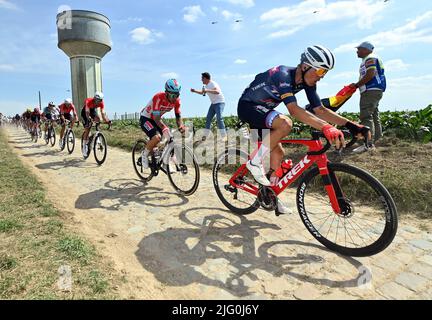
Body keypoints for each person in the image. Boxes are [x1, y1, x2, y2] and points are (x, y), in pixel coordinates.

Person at [237, 45, 369, 215]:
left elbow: (320, 110)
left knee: (278, 154)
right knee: (285, 123)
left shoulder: (307, 82)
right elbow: (293, 109)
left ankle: (269, 195)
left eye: (325, 73)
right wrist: (326, 127)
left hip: (264, 112)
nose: (321, 77)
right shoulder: (282, 74)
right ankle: (254, 162)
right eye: (321, 71)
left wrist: (351, 125)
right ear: (306, 66)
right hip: (248, 107)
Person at [139, 79, 186, 169]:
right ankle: (144, 155)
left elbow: (178, 116)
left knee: (167, 138)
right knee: (157, 137)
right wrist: (164, 128)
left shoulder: (176, 101)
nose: (174, 98)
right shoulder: (158, 97)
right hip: (146, 118)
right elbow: (156, 119)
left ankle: (164, 161)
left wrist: (180, 126)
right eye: (172, 95)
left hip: (156, 119)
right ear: (166, 93)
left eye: (177, 95)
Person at [349, 41, 386, 153]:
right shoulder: (372, 58)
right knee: (374, 115)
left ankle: (368, 144)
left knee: (366, 116)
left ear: (366, 49)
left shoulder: (370, 58)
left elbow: (371, 73)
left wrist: (356, 85)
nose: (357, 51)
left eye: (359, 49)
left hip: (370, 90)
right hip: (376, 90)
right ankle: (377, 140)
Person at [191, 72, 227, 141]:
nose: (201, 80)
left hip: (220, 102)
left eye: (202, 78)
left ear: (205, 78)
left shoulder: (212, 83)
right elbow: (202, 93)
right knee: (208, 119)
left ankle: (224, 136)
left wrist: (207, 90)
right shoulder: (206, 86)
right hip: (213, 104)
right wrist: (194, 91)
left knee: (219, 118)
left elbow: (217, 91)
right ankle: (205, 136)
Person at [81, 92, 110, 156]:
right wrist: (89, 119)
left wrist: (107, 120)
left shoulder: (101, 103)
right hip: (85, 112)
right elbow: (87, 113)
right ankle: (84, 147)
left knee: (98, 119)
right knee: (87, 129)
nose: (97, 102)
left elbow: (103, 113)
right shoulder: (88, 101)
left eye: (99, 100)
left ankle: (97, 135)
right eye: (96, 100)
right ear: (94, 99)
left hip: (93, 111)